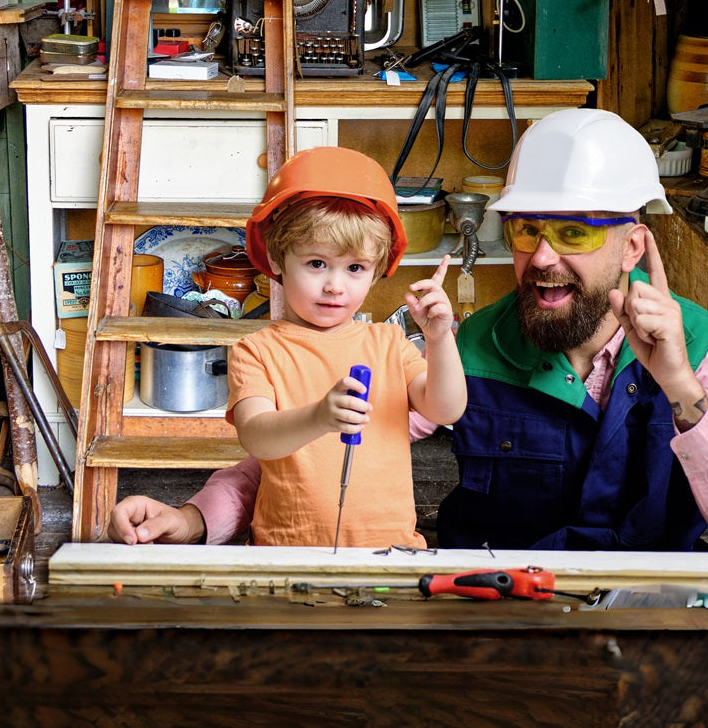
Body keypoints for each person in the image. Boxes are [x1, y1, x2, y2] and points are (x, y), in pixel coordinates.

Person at [110, 110, 708, 555]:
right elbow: (307, 455)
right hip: (495, 615)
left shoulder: (707, 350)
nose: (542, 258)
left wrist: (679, 385)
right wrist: (196, 518)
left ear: (634, 246)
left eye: (574, 233)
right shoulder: (470, 347)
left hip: (648, 619)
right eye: (527, 231)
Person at [115, 147, 465, 549]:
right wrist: (319, 416)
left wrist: (439, 340)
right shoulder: (258, 350)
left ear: (377, 267)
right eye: (317, 263)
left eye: (355, 268)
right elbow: (258, 439)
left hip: (391, 550)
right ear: (279, 258)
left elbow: (446, 409)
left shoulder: (389, 343)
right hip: (283, 553)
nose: (335, 285)